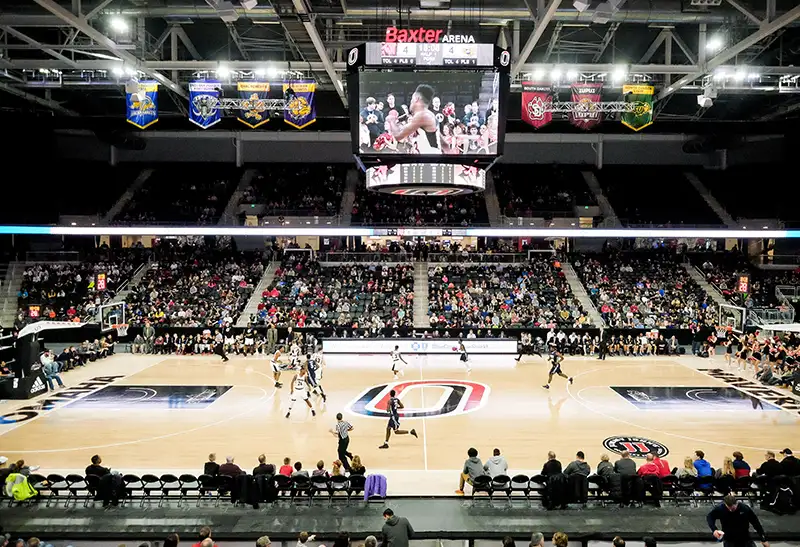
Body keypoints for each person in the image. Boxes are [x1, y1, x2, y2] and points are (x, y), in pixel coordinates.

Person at [384, 84, 440, 155]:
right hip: (431, 155)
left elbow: (398, 136)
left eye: (411, 99)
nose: (410, 101)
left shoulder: (422, 116)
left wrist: (391, 121)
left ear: (416, 98)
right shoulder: (429, 114)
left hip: (429, 156)